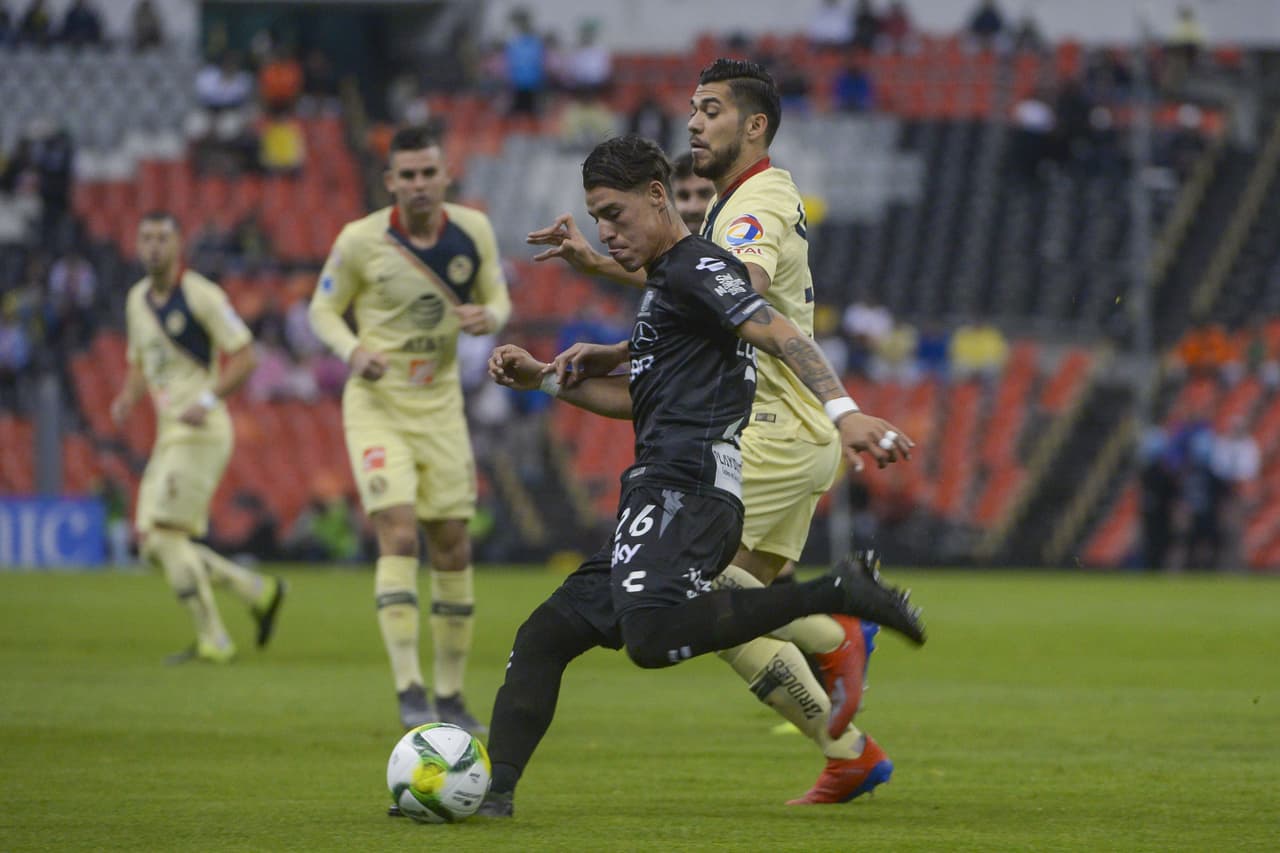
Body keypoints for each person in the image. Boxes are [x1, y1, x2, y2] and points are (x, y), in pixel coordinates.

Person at [472, 135, 922, 818]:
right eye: (597, 218)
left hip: (691, 490)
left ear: (657, 197)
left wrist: (845, 411)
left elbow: (778, 331)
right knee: (546, 633)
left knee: (651, 639)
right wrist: (542, 379)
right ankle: (493, 795)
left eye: (615, 214)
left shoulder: (698, 268)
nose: (606, 232)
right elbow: (639, 398)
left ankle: (835, 594)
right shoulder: (666, 285)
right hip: (656, 489)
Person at [308, 126, 512, 732]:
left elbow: (499, 298)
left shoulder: (472, 230)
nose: (420, 184)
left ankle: (450, 694)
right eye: (409, 175)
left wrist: (488, 317)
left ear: (445, 175)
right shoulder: (361, 240)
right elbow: (321, 308)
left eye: (429, 173)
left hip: (440, 406)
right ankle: (409, 687)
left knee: (452, 541)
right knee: (397, 533)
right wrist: (352, 350)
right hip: (378, 405)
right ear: (391, 181)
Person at [109, 211, 286, 664]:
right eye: (146, 238)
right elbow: (139, 361)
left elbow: (245, 356)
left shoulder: (201, 295)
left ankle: (215, 640)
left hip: (200, 431)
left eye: (162, 238)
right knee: (153, 544)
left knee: (161, 536)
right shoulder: (136, 300)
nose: (153, 247)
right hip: (170, 433)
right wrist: (127, 398)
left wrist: (206, 401)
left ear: (179, 244)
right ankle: (255, 590)